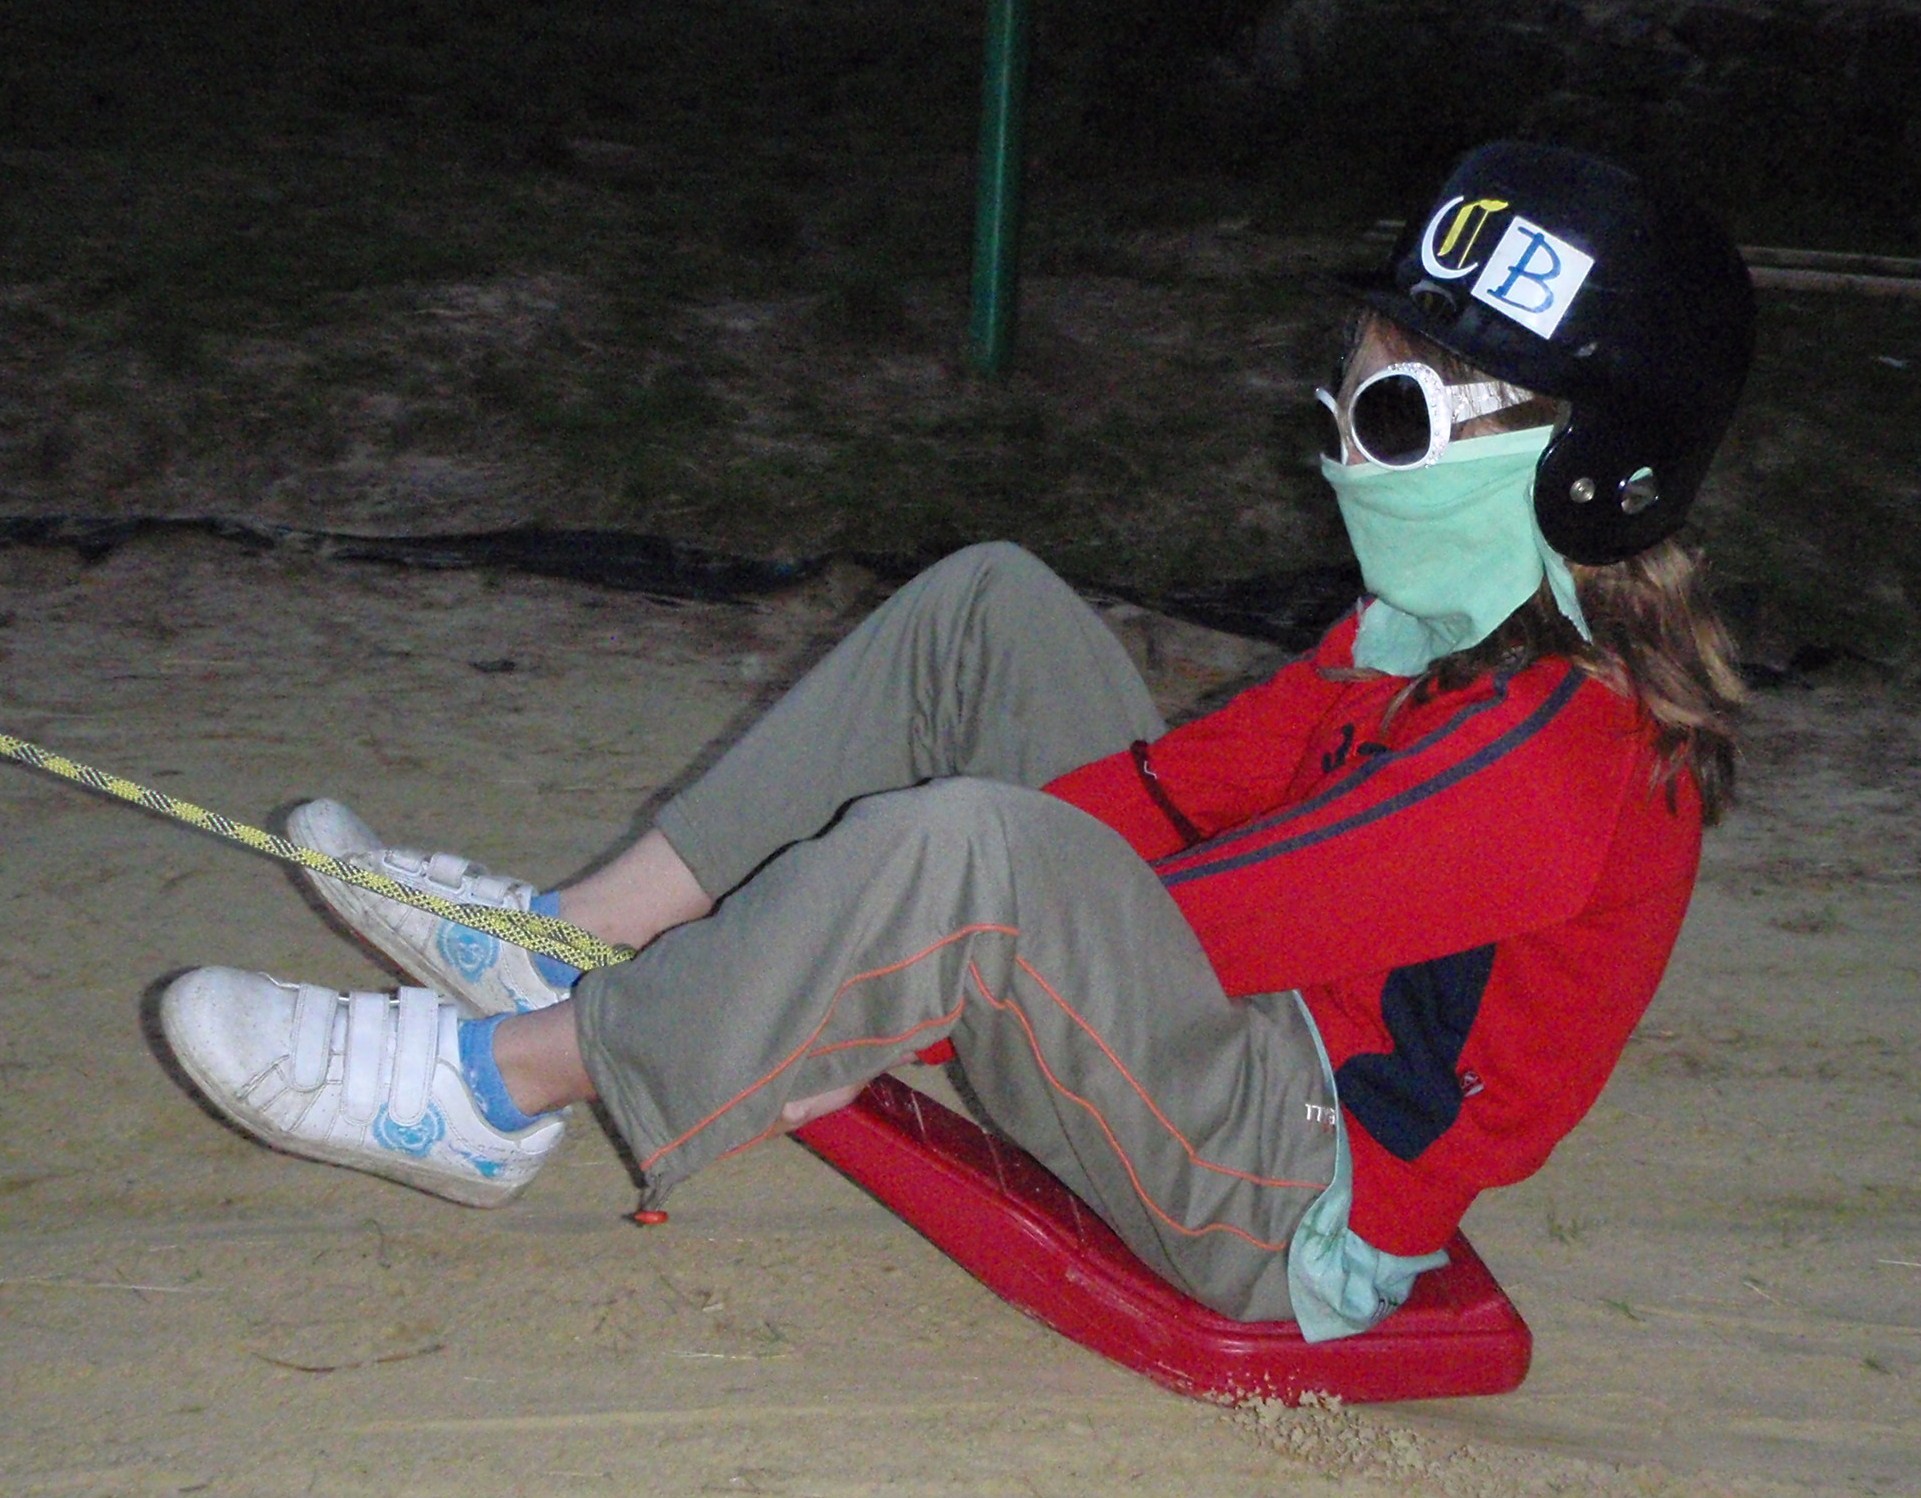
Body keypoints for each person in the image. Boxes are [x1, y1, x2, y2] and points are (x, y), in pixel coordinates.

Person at [158, 141, 1754, 1341]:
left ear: (1586, 464)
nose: (1347, 456)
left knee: (977, 853)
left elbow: (1191, 924)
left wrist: (843, 967)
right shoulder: (1430, 634)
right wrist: (850, 929)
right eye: (1346, 402)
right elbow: (1171, 792)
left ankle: (495, 1093)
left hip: (1284, 1198)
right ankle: (559, 945)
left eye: (1394, 423)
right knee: (992, 606)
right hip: (1239, 1038)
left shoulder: (1556, 757)